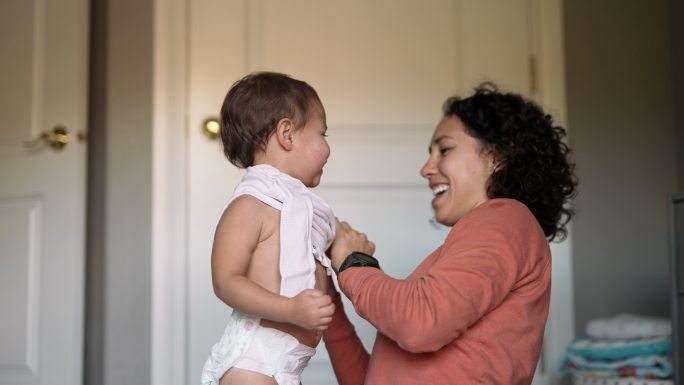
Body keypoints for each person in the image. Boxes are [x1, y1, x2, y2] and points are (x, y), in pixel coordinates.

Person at [325, 83, 578, 385]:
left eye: (443, 150)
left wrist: (354, 263)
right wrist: (329, 304)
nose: (426, 169)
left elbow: (420, 324)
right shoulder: (475, 242)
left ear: (496, 156)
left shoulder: (507, 218)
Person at [200, 72, 338, 385]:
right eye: (322, 134)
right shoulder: (250, 206)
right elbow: (225, 281)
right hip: (253, 363)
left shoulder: (304, 210)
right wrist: (290, 309)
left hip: (287, 367)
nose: (327, 147)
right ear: (287, 134)